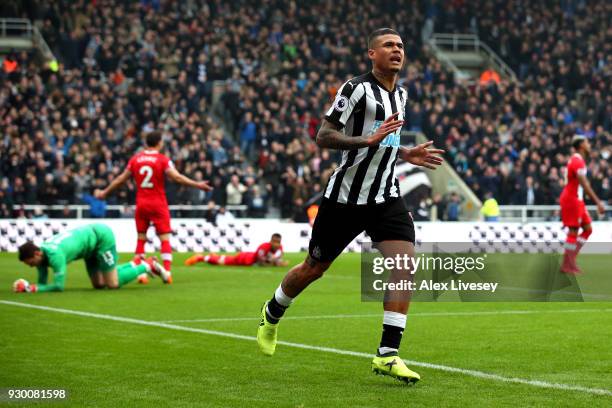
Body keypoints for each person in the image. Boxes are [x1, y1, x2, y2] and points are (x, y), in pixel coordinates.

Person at [256, 28, 444, 384]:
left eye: (401, 46)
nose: (397, 50)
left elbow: (383, 144)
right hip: (345, 198)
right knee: (314, 268)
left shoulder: (401, 94)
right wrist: (365, 139)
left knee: (404, 265)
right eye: (389, 45)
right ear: (371, 54)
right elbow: (323, 136)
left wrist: (404, 153)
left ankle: (388, 355)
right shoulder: (355, 89)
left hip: (386, 196)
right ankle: (273, 310)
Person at [95, 131, 211, 282]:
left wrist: (104, 192)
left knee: (141, 239)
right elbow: (176, 177)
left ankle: (141, 274)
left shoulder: (136, 159)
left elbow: (120, 180)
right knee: (165, 239)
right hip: (158, 203)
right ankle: (167, 272)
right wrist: (197, 185)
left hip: (142, 203)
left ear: (146, 143)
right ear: (160, 143)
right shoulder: (163, 159)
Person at [13, 223, 170, 293]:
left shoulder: (55, 256)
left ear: (37, 254)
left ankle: (148, 265)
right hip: (88, 248)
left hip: (101, 238)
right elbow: (41, 284)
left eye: (31, 263)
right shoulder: (41, 255)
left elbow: (58, 286)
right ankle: (134, 263)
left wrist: (31, 288)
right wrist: (30, 287)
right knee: (99, 285)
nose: (32, 266)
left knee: (113, 284)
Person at [559, 135, 605, 274]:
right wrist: (598, 202)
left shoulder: (578, 161)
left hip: (577, 200)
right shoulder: (577, 161)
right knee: (573, 231)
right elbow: (584, 184)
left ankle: (569, 261)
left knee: (588, 228)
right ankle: (567, 264)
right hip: (572, 199)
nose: (589, 145)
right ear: (581, 146)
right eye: (587, 143)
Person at [184, 233, 288, 268]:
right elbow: (261, 262)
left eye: (278, 242)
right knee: (222, 262)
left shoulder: (280, 248)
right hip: (245, 259)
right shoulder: (263, 247)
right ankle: (202, 258)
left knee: (225, 259)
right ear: (271, 241)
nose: (277, 244)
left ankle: (213, 255)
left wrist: (276, 261)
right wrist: (275, 263)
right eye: (275, 242)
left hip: (248, 257)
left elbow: (276, 257)